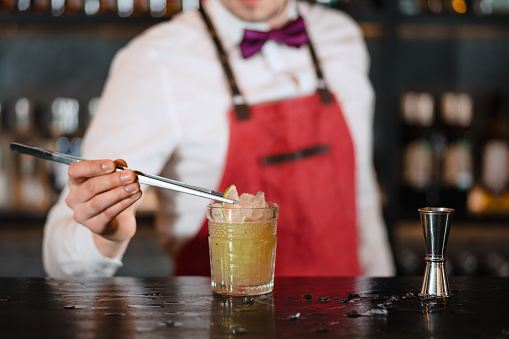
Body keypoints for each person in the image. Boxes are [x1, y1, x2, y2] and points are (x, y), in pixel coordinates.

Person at [43, 0, 395, 278]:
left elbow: (360, 198)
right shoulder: (155, 61)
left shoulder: (343, 38)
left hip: (344, 318)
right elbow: (61, 260)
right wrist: (105, 235)